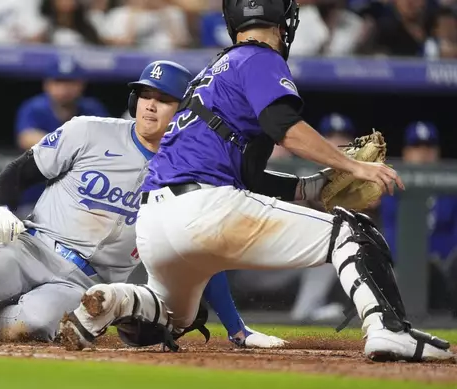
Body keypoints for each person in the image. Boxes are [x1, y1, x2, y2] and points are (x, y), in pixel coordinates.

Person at [59, 0, 453, 362]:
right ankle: (388, 329)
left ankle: (113, 300)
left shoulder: (209, 74)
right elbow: (285, 128)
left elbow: (245, 173)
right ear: (281, 23)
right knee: (354, 231)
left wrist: (306, 189)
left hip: (155, 223)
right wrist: (355, 167)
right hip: (205, 209)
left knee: (171, 317)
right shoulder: (259, 58)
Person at [0, 60, 284, 348]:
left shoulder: (190, 172)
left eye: (165, 100)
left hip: (83, 283)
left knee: (34, 328)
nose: (151, 106)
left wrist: (236, 328)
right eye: (146, 95)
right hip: (33, 248)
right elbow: (20, 170)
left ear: (183, 110)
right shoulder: (90, 130)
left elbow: (202, 260)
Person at [14, 56, 109, 217]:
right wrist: (73, 145)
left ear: (81, 85)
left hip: (81, 202)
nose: (64, 88)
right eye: (58, 81)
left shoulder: (92, 108)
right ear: (47, 84)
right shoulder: (35, 107)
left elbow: (108, 141)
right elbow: (26, 137)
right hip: (36, 199)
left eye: (70, 82)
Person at [379, 121, 457, 314]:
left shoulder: (450, 190)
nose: (423, 153)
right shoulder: (391, 188)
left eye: (429, 147)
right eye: (417, 147)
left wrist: (434, 256)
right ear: (406, 153)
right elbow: (390, 232)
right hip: (402, 263)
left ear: (437, 152)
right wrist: (418, 259)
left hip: (443, 263)